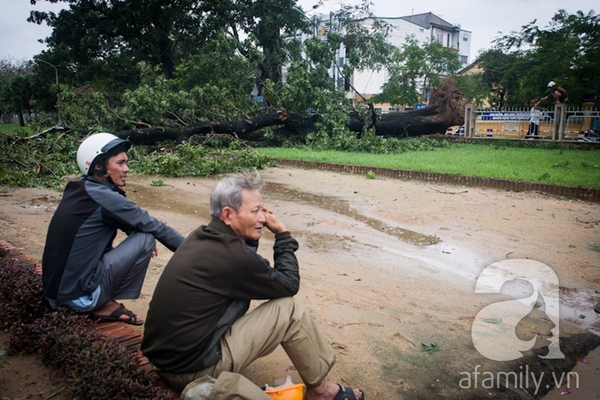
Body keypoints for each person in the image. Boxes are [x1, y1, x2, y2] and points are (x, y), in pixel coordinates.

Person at [141, 171, 364, 400]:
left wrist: (253, 236)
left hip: (166, 360)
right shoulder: (231, 255)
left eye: (262, 210)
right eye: (255, 211)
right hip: (190, 371)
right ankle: (321, 391)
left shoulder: (203, 237)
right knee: (289, 310)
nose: (262, 218)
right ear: (228, 214)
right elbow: (288, 285)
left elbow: (245, 268)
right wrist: (283, 236)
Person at [42, 132, 185, 325]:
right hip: (78, 299)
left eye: (126, 163)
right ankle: (102, 305)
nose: (126, 169)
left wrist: (133, 229)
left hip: (55, 294)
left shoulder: (80, 189)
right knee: (146, 238)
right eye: (120, 163)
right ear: (99, 166)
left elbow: (127, 220)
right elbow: (154, 225)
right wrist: (192, 252)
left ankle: (99, 300)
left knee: (141, 232)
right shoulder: (105, 197)